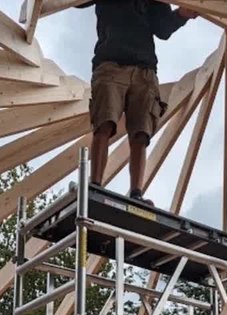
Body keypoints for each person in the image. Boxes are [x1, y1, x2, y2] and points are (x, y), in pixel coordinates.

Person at [77, 0, 197, 204]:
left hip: (144, 70)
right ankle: (95, 185)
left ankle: (136, 193)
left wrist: (182, 14)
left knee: (141, 133)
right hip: (111, 64)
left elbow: (163, 28)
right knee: (104, 122)